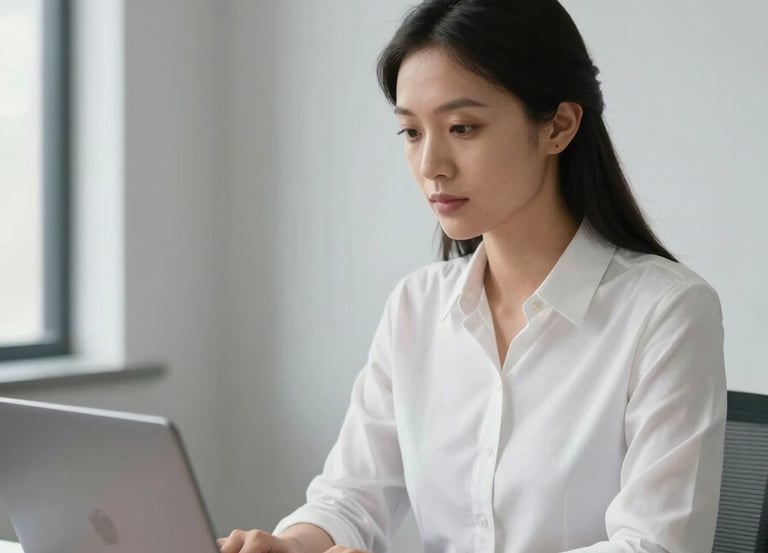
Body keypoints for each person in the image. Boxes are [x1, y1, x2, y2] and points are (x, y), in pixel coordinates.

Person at [217, 1, 727, 552]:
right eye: (411, 132)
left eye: (462, 127)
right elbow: (350, 497)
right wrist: (292, 544)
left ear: (558, 125)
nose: (432, 164)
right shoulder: (416, 306)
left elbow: (654, 546)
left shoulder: (666, 311)